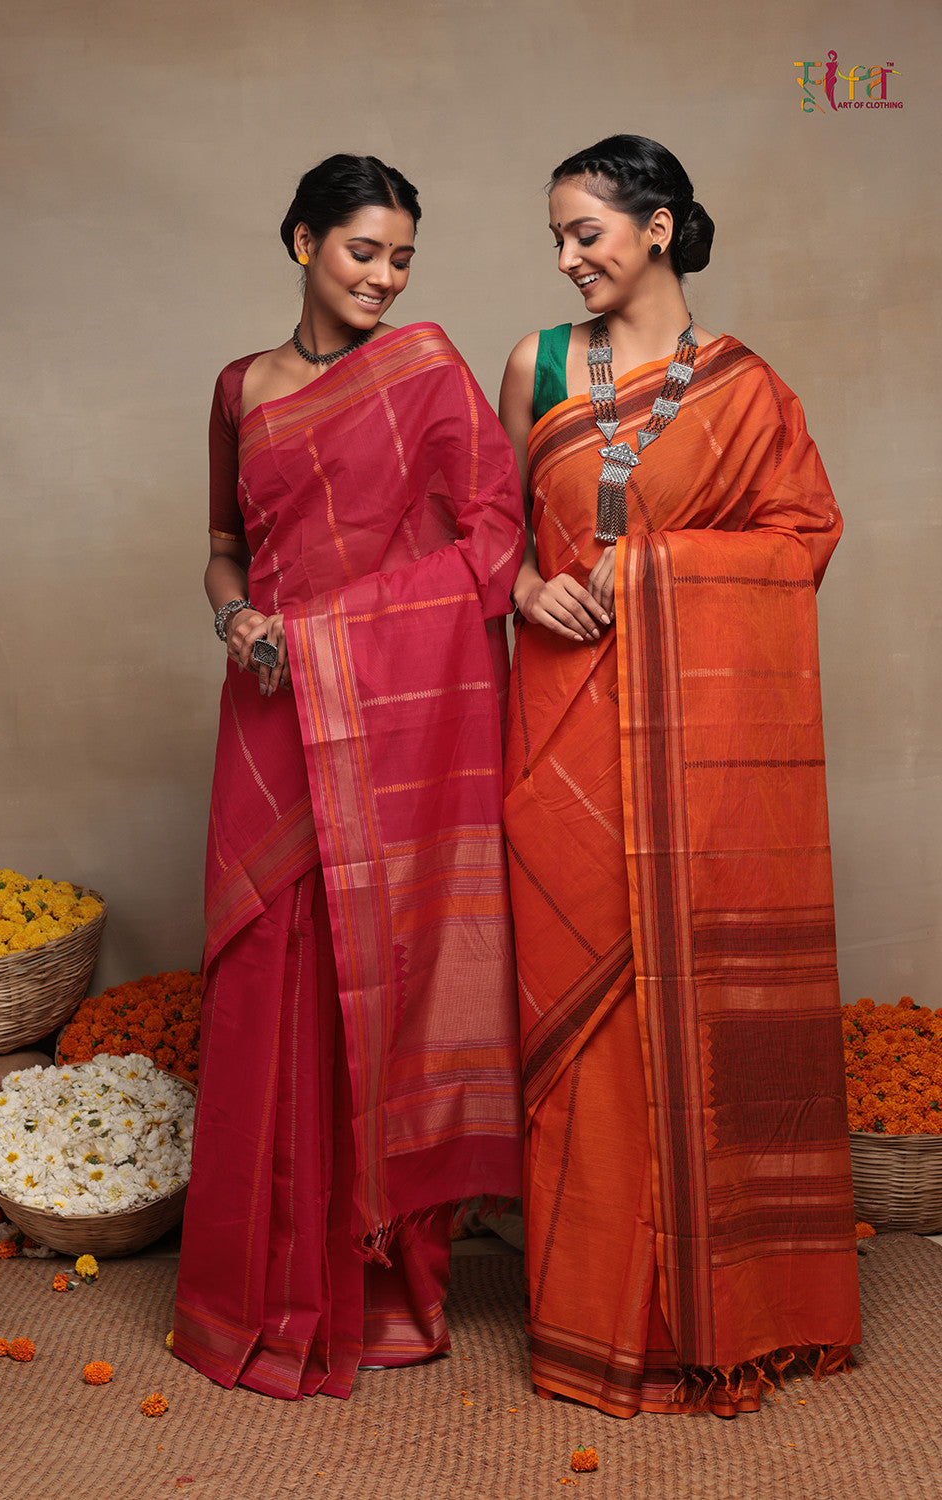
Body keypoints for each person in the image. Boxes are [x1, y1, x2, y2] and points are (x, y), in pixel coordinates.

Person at [500, 134, 860, 1418]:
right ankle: (590, 1317)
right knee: (577, 1015)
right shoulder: (537, 365)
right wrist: (524, 587)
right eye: (556, 236)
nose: (565, 257)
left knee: (696, 1001)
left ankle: (717, 1307)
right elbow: (486, 530)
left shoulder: (746, 389)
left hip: (694, 751)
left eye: (585, 231)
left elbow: (801, 539)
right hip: (558, 727)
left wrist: (651, 570)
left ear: (656, 227)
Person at [174, 154, 525, 1400]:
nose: (383, 278)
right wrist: (236, 620)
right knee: (268, 970)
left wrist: (331, 631)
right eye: (362, 251)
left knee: (382, 973)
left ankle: (381, 1286)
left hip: (383, 712)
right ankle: (260, 1288)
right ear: (302, 243)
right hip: (270, 703)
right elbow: (223, 549)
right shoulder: (238, 388)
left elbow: (493, 541)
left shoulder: (425, 372)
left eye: (401, 259)